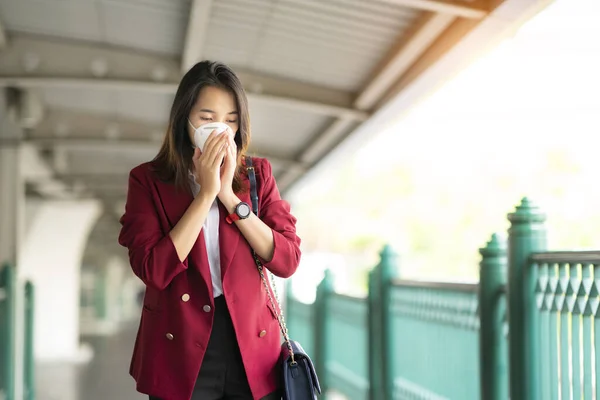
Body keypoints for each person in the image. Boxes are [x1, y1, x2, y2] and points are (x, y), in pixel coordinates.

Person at [118, 60, 301, 400]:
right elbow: (153, 270)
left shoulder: (257, 174)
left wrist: (228, 196)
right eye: (207, 118)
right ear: (183, 118)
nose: (220, 129)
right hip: (180, 345)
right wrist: (205, 194)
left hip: (252, 347)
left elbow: (287, 261)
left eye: (231, 120)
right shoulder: (148, 180)